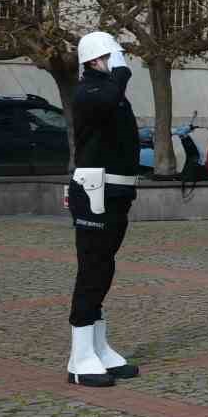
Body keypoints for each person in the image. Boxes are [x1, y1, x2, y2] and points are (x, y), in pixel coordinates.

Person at [66, 30, 142, 388]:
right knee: (92, 268)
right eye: (114, 57)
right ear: (97, 60)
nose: (121, 64)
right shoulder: (89, 92)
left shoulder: (111, 93)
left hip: (116, 190)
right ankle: (80, 356)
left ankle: (98, 346)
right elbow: (108, 99)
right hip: (94, 188)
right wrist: (121, 72)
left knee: (105, 267)